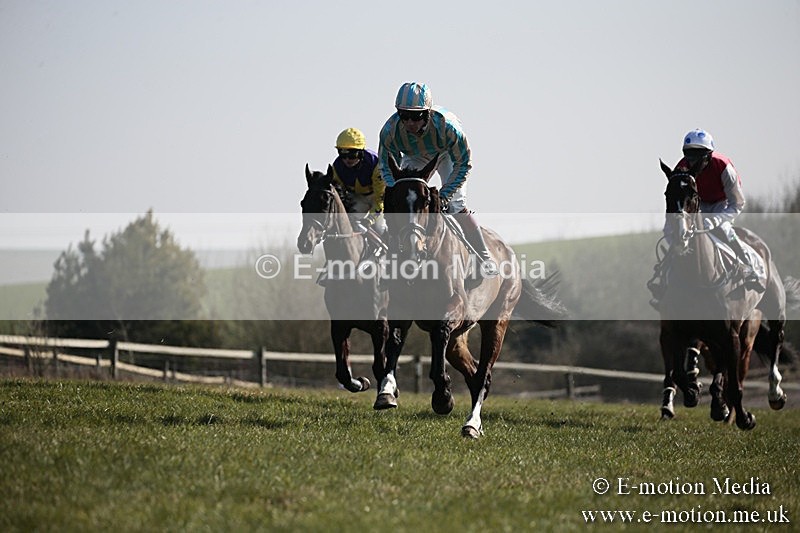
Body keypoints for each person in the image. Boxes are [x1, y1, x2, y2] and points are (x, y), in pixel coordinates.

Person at [377, 81, 498, 276]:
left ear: (427, 114)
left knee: (456, 205)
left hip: (447, 155)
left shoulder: (448, 128)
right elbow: (386, 166)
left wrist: (445, 195)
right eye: (404, 115)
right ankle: (394, 261)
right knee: (405, 204)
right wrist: (397, 190)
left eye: (416, 116)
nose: (409, 122)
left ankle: (483, 256)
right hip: (415, 156)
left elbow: (463, 164)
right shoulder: (389, 131)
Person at [649, 128, 762, 309]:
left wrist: (716, 220)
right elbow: (677, 201)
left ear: (709, 155)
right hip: (697, 205)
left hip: (722, 203)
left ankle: (749, 268)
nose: (692, 160)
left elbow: (738, 203)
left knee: (724, 229)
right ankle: (663, 278)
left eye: (698, 155)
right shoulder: (681, 169)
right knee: (674, 232)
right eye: (689, 154)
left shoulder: (724, 167)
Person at [331, 127, 386, 235]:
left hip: (377, 198)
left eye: (352, 155)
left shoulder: (375, 164)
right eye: (343, 154)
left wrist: (369, 220)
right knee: (349, 224)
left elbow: (380, 200)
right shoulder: (337, 167)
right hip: (357, 197)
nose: (347, 160)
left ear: (361, 152)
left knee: (379, 228)